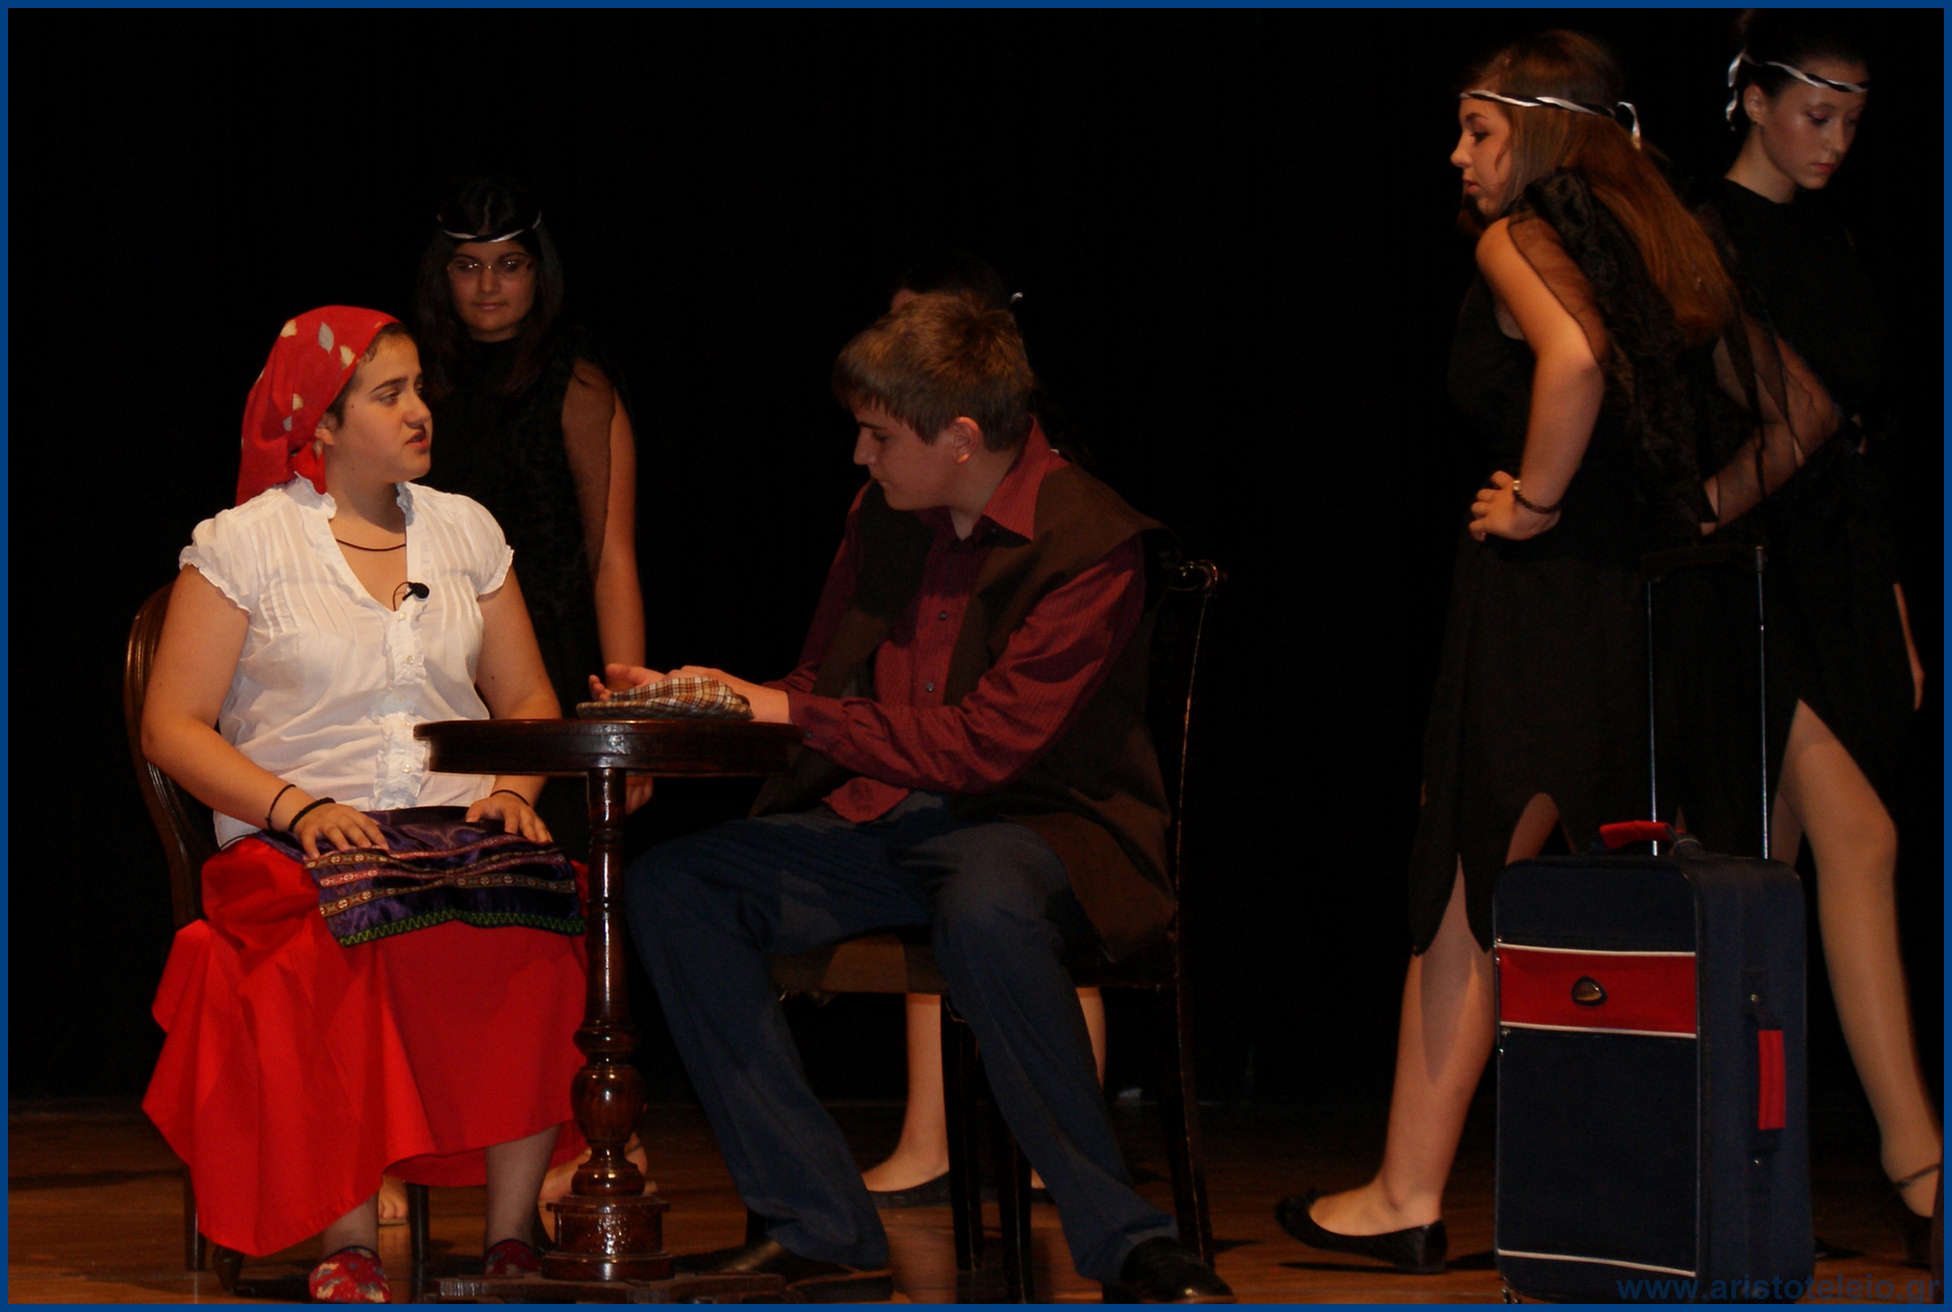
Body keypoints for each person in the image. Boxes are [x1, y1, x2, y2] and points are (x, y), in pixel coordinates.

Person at [1275, 30, 1831, 1273]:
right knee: (1585, 887)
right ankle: (1634, 1191)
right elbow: (1798, 413)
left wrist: (1532, 499)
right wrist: (1686, 514)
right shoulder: (1658, 245)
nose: (1456, 155)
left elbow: (1572, 360)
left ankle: (1405, 1190)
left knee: (1467, 880)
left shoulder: (1519, 238)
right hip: (1632, 609)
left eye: (1476, 130)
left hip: (1535, 605)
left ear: (1538, 130)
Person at [604, 292, 1232, 1302]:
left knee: (984, 902)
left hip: (1042, 825)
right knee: (677, 886)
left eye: (879, 435)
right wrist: (704, 703)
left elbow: (986, 748)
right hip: (891, 821)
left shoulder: (1089, 541)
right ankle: (819, 1224)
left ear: (961, 437)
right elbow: (817, 687)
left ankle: (1125, 1240)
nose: (860, 455)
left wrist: (783, 710)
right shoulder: (884, 517)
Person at [140, 307, 589, 1301]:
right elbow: (172, 725)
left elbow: (528, 701)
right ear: (324, 423)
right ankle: (347, 1243)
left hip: (452, 830)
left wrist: (510, 795)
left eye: (420, 388)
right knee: (340, 936)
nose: (420, 409)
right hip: (297, 838)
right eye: (390, 394)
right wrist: (296, 808)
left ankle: (511, 1239)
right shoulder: (245, 544)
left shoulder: (465, 531)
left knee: (536, 920)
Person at [1701, 10, 1939, 1261]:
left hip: (1837, 569)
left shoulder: (1832, 238)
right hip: (1749, 575)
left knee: (1762, 884)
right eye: (1815, 114)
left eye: (1852, 121)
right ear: (1751, 98)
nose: (1835, 141)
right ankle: (1919, 1170)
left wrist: (1890, 602)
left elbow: (1857, 442)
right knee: (1859, 840)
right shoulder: (1696, 234)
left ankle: (1733, 1174)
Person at [408, 177, 651, 1227]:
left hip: (548, 682)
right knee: (426, 914)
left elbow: (611, 555)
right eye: (467, 265)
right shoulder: (411, 386)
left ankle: (590, 1139)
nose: (488, 286)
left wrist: (625, 721)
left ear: (537, 271)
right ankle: (414, 1144)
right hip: (431, 673)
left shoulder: (579, 384)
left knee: (563, 917)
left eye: (508, 264)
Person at [861, 250, 1108, 1209]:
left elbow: (1004, 735)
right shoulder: (898, 498)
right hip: (936, 777)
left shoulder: (1059, 509)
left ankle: (1067, 1160)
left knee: (1000, 891)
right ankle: (932, 1138)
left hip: (1038, 803)